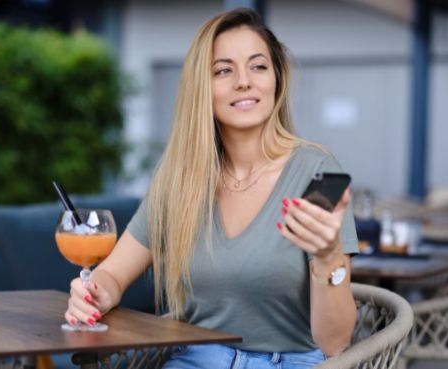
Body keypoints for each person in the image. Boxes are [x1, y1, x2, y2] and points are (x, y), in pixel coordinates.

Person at [64, 8, 358, 369]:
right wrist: (93, 294)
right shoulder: (179, 179)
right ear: (202, 87)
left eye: (258, 66)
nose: (244, 81)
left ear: (277, 79)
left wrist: (328, 258)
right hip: (195, 360)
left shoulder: (314, 170)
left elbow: (336, 343)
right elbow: (111, 274)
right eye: (223, 70)